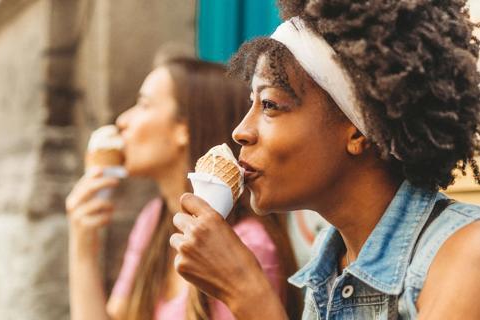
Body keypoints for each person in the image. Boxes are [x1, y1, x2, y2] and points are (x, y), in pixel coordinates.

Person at [170, 1, 480, 319]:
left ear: (359, 132)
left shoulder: (466, 256)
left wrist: (247, 293)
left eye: (269, 104)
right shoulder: (330, 264)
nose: (240, 131)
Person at [66, 57, 302, 320]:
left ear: (184, 128)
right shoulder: (154, 219)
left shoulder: (248, 244)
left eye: (143, 104)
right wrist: (83, 248)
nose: (122, 120)